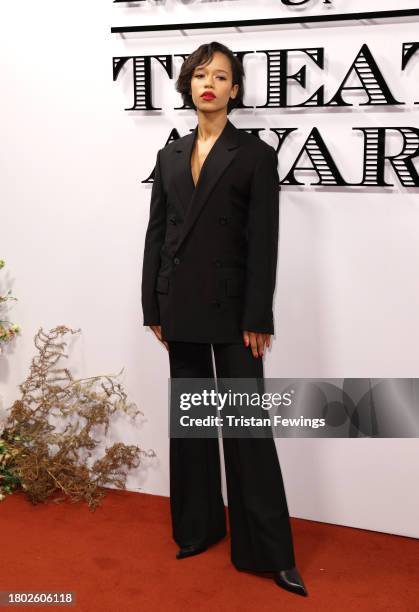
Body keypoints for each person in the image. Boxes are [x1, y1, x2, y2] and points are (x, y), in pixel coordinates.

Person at [141, 41, 308, 597]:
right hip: (179, 305)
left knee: (246, 430)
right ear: (189, 86)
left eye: (221, 76)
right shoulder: (169, 156)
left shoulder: (255, 155)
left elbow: (264, 243)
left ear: (235, 90)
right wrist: (151, 305)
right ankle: (197, 528)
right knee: (190, 425)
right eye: (199, 75)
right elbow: (157, 237)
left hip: (236, 312)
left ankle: (268, 551)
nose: (208, 83)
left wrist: (259, 314)